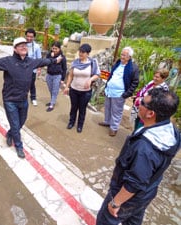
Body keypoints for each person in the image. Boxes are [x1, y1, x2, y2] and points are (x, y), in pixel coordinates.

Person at [96, 88, 180, 225]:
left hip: (129, 198)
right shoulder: (173, 132)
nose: (138, 103)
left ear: (151, 113)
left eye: (142, 102)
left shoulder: (144, 148)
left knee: (106, 220)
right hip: (146, 193)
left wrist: (116, 203)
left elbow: (134, 183)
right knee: (133, 220)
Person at [98, 46, 139, 136]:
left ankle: (114, 127)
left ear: (129, 57)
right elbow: (112, 75)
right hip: (109, 90)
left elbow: (135, 82)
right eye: (122, 54)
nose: (122, 57)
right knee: (108, 108)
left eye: (125, 55)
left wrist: (127, 94)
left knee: (116, 111)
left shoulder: (133, 68)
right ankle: (107, 121)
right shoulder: (118, 63)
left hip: (119, 93)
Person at [64, 44, 100, 133]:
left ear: (88, 53)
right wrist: (67, 86)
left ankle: (80, 125)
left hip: (85, 92)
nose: (80, 54)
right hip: (74, 90)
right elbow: (70, 75)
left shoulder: (92, 63)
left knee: (82, 109)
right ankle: (71, 122)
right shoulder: (75, 62)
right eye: (80, 51)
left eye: (83, 52)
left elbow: (97, 75)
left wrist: (90, 80)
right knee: (73, 107)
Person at [45, 41, 67, 112]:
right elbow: (46, 62)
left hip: (57, 76)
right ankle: (52, 101)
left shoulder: (62, 57)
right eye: (53, 48)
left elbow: (64, 68)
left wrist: (62, 79)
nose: (54, 50)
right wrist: (51, 57)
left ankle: (52, 104)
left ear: (59, 49)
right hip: (49, 75)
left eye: (56, 49)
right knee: (50, 89)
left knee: (55, 90)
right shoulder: (49, 55)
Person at [25, 28, 42, 106]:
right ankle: (23, 97)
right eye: (28, 36)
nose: (29, 38)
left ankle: (33, 98)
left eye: (31, 37)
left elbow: (39, 59)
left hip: (32, 69)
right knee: (22, 83)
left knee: (32, 84)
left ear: (34, 37)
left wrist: (39, 69)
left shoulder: (36, 46)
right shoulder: (22, 44)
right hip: (23, 68)